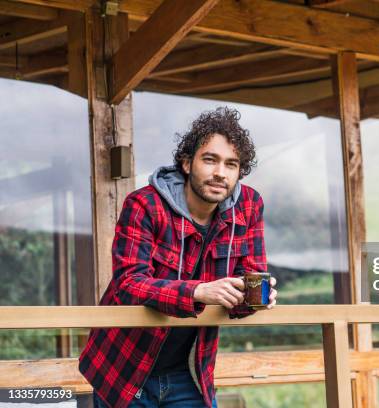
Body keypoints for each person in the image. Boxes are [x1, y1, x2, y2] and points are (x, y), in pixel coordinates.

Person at [78, 107, 276, 408]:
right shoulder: (144, 205)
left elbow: (250, 278)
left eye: (231, 164)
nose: (220, 172)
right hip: (124, 369)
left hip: (191, 371)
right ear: (186, 163)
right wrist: (198, 291)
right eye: (210, 159)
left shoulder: (248, 206)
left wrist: (257, 297)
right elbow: (128, 284)